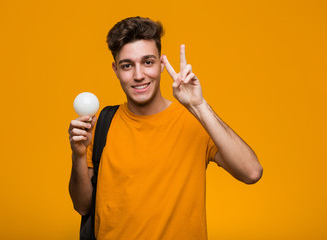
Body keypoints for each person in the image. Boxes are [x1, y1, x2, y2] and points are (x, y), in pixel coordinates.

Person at [68, 16, 263, 240]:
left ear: (161, 64)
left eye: (148, 62)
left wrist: (199, 105)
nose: (139, 74)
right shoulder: (102, 124)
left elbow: (252, 172)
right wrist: (78, 155)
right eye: (127, 65)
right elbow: (82, 206)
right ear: (115, 70)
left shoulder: (194, 121)